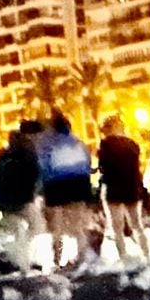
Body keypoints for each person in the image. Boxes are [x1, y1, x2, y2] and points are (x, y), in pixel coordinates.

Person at [36, 112, 99, 269]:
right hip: (79, 184)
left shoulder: (47, 143)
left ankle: (57, 260)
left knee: (56, 227)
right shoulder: (77, 142)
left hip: (56, 185)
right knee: (78, 225)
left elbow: (43, 166)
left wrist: (41, 188)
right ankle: (83, 257)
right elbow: (87, 163)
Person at [96, 115, 150, 261]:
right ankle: (146, 254)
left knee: (117, 227)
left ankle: (124, 256)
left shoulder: (106, 144)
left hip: (114, 188)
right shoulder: (132, 144)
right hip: (132, 187)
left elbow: (103, 166)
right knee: (137, 224)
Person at [0, 122, 43, 272]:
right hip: (24, 198)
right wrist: (35, 192)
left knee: (17, 231)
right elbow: (36, 175)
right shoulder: (28, 154)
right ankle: (29, 260)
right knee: (37, 227)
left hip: (6, 200)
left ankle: (18, 260)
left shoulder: (3, 156)